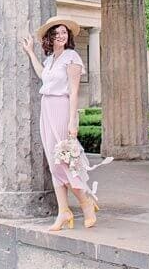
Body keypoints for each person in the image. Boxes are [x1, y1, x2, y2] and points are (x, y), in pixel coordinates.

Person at [21, 19, 104, 232]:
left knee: (65, 160)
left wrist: (72, 120)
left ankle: (86, 203)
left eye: (64, 32)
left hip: (61, 107)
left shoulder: (72, 57)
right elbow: (42, 75)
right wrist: (30, 52)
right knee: (53, 161)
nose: (61, 35)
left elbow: (74, 92)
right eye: (57, 32)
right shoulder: (50, 60)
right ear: (50, 37)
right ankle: (63, 211)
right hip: (46, 108)